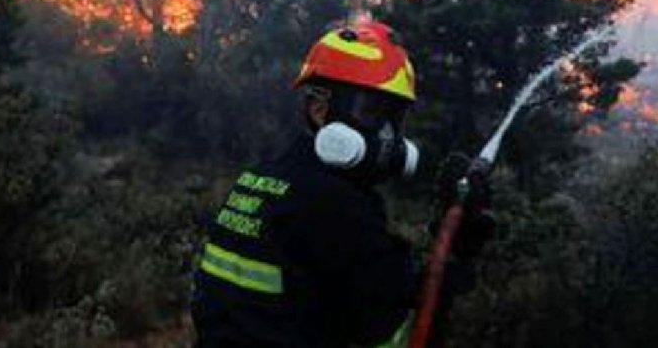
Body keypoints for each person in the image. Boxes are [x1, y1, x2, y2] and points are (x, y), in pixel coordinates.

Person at [191, 19, 492, 347]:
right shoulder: (337, 204)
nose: (386, 134)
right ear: (319, 109)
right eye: (373, 111)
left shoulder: (260, 178)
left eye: (395, 116)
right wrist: (452, 260)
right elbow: (394, 333)